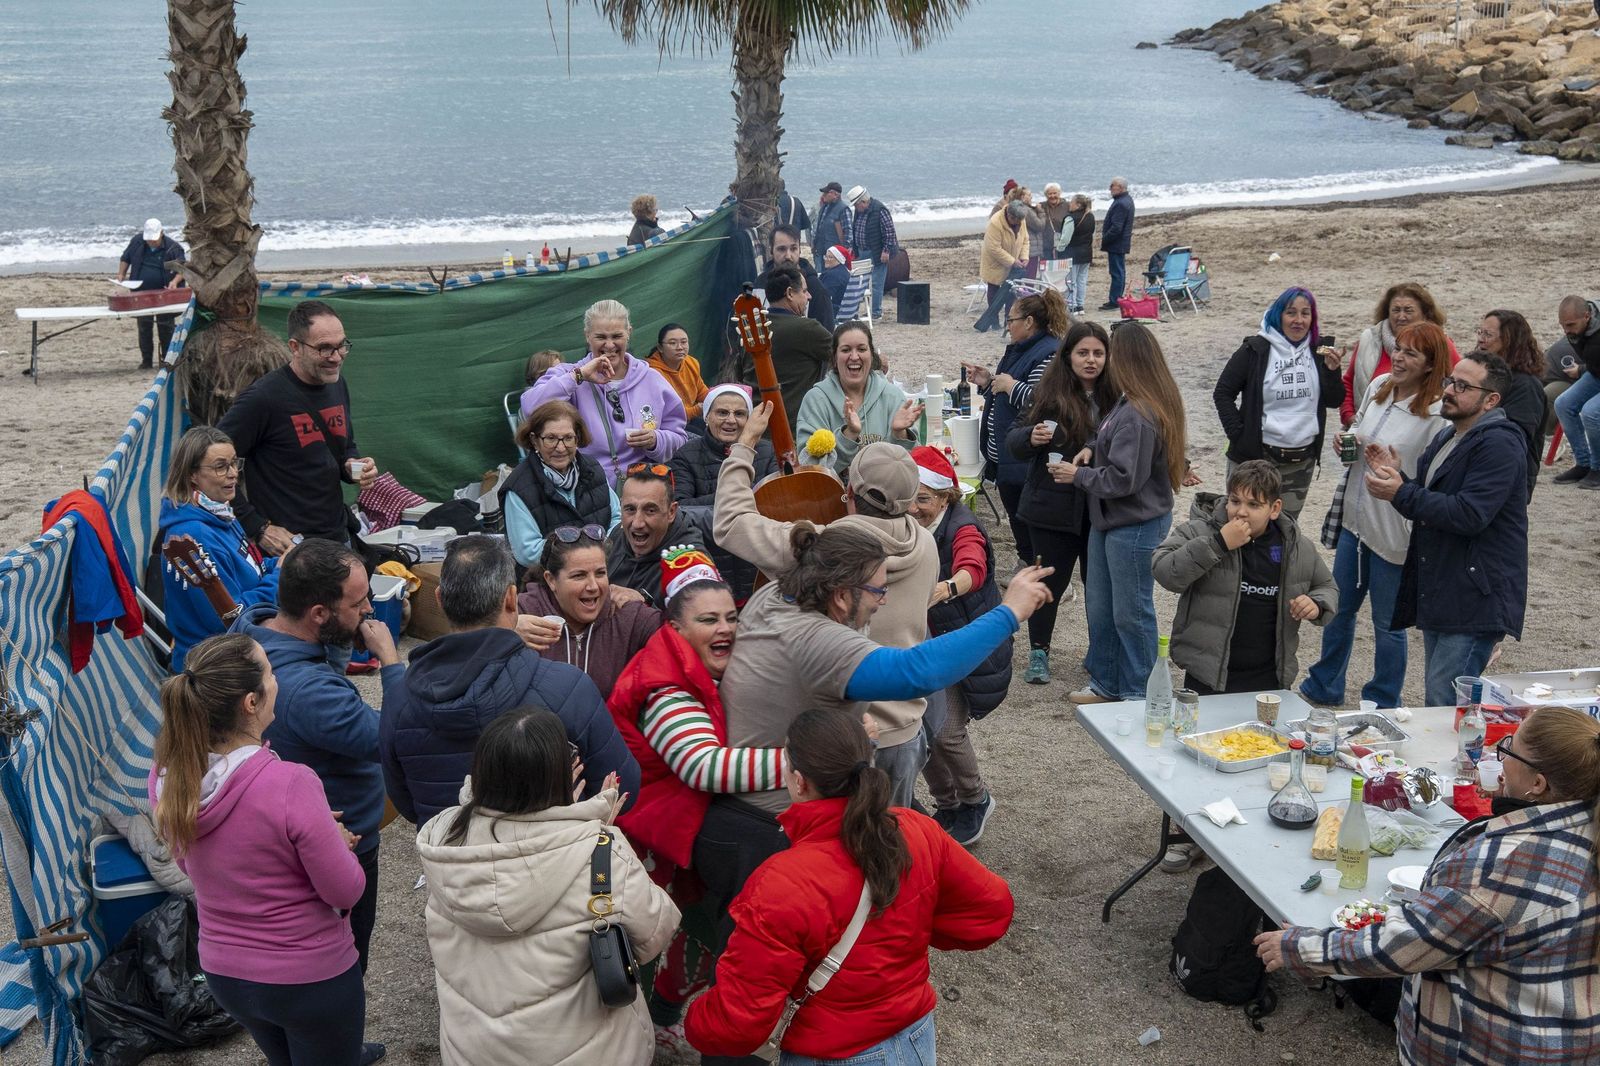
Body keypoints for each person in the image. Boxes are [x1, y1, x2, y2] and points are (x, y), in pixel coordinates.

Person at [696, 524, 1048, 1007]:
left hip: (739, 816)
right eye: (879, 589)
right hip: (769, 827)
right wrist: (1010, 611)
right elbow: (916, 672)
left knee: (747, 961)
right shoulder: (818, 639)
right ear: (841, 596)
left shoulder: (777, 596)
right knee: (756, 984)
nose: (883, 601)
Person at [1254, 704, 1600, 1066]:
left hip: (1495, 1048)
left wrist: (1303, 947)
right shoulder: (1585, 828)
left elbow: (1411, 943)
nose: (1497, 759)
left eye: (1508, 749)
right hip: (1567, 1038)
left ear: (1538, 784)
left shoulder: (1508, 862)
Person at [684, 708, 1014, 1063]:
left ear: (799, 781)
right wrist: (909, 923)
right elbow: (991, 911)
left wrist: (694, 1020)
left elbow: (739, 1022)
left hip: (833, 1052)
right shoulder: (916, 829)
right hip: (915, 1037)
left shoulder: (781, 883)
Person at [149, 634, 377, 1066]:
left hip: (226, 973)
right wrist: (339, 847)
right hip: (308, 978)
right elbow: (345, 892)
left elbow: (190, 861)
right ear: (250, 702)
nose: (278, 682)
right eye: (271, 673)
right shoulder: (291, 782)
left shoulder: (167, 776)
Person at [415, 708, 678, 1066]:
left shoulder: (444, 838)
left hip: (473, 1050)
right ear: (559, 777)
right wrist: (595, 828)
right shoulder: (603, 853)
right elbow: (653, 936)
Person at [605, 549, 789, 1048]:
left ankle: (663, 1014)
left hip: (683, 831)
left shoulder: (692, 666)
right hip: (651, 840)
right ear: (676, 627)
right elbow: (702, 767)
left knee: (692, 930)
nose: (725, 627)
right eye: (708, 619)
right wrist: (799, 764)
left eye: (731, 616)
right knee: (654, 936)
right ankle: (640, 1031)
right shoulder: (666, 687)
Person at [715, 409, 940, 808]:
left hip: (845, 737)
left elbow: (732, 522)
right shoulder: (926, 544)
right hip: (905, 729)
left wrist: (744, 446)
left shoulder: (823, 551)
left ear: (848, 493)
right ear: (911, 501)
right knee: (888, 847)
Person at [378, 535, 638, 827]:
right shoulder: (567, 687)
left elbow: (405, 802)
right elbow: (622, 787)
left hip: (451, 863)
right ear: (512, 599)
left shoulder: (400, 695)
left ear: (440, 599)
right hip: (546, 860)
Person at [229, 538, 400, 974]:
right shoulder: (310, 692)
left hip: (297, 834)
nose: (369, 612)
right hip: (340, 843)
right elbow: (396, 736)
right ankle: (340, 1039)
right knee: (344, 962)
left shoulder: (255, 629)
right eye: (359, 603)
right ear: (318, 614)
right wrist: (391, 662)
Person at [1367, 351, 1528, 707]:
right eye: (1449, 381)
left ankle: (1459, 763)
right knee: (1440, 696)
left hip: (1474, 596)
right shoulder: (1450, 436)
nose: (1449, 391)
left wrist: (1402, 492)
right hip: (1447, 587)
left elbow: (1470, 514)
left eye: (1462, 386)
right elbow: (1432, 501)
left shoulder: (1499, 443)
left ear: (1491, 400)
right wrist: (1399, 477)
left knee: (1446, 702)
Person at [1301, 322, 1449, 709]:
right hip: (1355, 519)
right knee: (1339, 607)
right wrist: (1344, 441)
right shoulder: (1378, 385)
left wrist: (1402, 473)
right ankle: (1324, 684)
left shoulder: (1437, 414)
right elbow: (1357, 430)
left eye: (1411, 353)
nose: (1399, 357)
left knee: (1388, 623)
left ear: (1431, 364)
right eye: (1398, 348)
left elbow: (1436, 478)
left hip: (1393, 530)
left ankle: (1384, 700)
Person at [1064, 322, 1187, 705]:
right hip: (1111, 521)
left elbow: (1124, 479)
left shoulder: (1139, 411)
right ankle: (1107, 683)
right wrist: (1090, 446)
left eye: (1111, 353)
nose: (1105, 361)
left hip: (1133, 525)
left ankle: (1140, 693)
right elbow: (1109, 437)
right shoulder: (1128, 401)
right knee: (1102, 608)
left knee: (1132, 613)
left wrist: (1078, 474)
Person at [1154, 460, 1336, 697]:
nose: (1241, 511)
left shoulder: (1296, 547)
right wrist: (1218, 544)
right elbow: (1164, 571)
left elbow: (1326, 585)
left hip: (1269, 676)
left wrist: (1317, 604)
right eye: (1235, 501)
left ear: (1274, 508)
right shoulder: (1201, 531)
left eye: (1254, 504)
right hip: (1208, 675)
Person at [218, 300, 379, 553]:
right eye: (325, 349)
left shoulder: (337, 384)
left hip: (339, 535)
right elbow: (206, 460)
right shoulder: (264, 398)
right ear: (295, 347)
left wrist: (353, 467)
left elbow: (346, 446)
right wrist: (257, 527)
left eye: (341, 346)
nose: (336, 358)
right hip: (292, 550)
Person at [1005, 320, 1116, 684]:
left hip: (1099, 507)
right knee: (1048, 582)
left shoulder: (1117, 396)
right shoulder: (1050, 394)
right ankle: (1039, 652)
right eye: (1083, 353)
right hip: (1051, 507)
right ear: (1067, 356)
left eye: (1098, 353)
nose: (1091, 360)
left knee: (1098, 586)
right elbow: (1014, 440)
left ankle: (1099, 652)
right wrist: (1031, 437)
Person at [909, 446, 1010, 846]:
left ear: (945, 497)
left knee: (946, 729)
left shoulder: (962, 527)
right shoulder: (907, 525)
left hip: (964, 645)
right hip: (928, 643)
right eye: (910, 497)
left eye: (924, 498)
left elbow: (973, 566)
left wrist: (944, 588)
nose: (914, 507)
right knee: (920, 727)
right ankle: (947, 803)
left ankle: (977, 798)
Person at [1212, 286, 1344, 521]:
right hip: (1257, 457)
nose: (1298, 320)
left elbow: (1334, 401)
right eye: (1291, 313)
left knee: (1285, 529)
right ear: (1278, 315)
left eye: (1305, 314)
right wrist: (1238, 435)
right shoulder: (1256, 349)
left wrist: (1332, 372)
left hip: (1301, 459)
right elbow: (1223, 392)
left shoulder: (1319, 351)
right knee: (1245, 525)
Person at [520, 299, 688, 484]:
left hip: (642, 487)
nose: (609, 345)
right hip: (587, 487)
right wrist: (579, 376)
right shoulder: (569, 374)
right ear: (587, 336)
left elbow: (679, 438)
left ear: (629, 333)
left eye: (617, 336)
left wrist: (656, 440)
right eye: (601, 337)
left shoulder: (651, 379)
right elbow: (529, 407)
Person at [964, 287, 1071, 568]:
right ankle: (1027, 563)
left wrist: (1010, 385)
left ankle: (1040, 569)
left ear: (1029, 322)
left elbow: (1043, 403)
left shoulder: (1047, 354)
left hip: (1024, 456)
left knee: (1029, 519)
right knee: (1017, 515)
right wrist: (989, 382)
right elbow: (1010, 396)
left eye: (1011, 320)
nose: (1008, 325)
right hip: (1009, 455)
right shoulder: (1022, 349)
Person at [157, 426, 279, 673]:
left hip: (237, 651)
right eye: (221, 466)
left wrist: (284, 564)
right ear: (192, 475)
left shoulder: (221, 514)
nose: (233, 473)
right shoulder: (196, 536)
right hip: (214, 669)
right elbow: (229, 618)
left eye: (234, 463)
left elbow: (251, 570)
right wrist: (279, 578)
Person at [516, 526, 662, 697]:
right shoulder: (524, 611)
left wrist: (647, 601)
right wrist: (504, 630)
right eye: (579, 576)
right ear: (551, 580)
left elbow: (680, 636)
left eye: (600, 573)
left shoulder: (627, 614)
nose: (593, 586)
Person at [668, 383, 777, 601]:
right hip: (711, 565)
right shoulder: (686, 456)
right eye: (722, 413)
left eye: (739, 414)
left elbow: (776, 499)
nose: (730, 420)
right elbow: (681, 508)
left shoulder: (766, 450)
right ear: (707, 417)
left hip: (758, 567)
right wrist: (740, 494)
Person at [500, 399, 621, 569]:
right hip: (549, 583)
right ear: (535, 440)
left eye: (568, 438)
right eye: (551, 438)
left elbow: (617, 518)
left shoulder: (592, 469)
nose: (561, 447)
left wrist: (603, 551)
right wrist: (587, 556)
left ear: (577, 438)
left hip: (605, 568)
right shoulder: (518, 488)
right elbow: (527, 552)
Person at [796, 321, 922, 471]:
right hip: (833, 493)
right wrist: (849, 435)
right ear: (834, 357)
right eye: (846, 350)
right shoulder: (816, 400)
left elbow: (913, 466)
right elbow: (809, 469)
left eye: (862, 349)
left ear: (871, 355)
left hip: (886, 493)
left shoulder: (892, 396)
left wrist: (900, 434)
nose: (854, 356)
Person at [729, 264, 832, 437]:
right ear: (790, 293)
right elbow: (846, 356)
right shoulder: (807, 329)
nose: (809, 296)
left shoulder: (752, 329)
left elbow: (739, 373)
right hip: (795, 431)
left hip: (755, 428)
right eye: (805, 291)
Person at [1342, 282, 1457, 428]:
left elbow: (1458, 386)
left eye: (1408, 310)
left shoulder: (1441, 345)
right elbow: (1348, 382)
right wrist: (1351, 419)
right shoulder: (1369, 340)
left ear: (1425, 313)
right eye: (1396, 310)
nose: (1401, 316)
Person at [604, 462, 708, 606]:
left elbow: (697, 625)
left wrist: (644, 605)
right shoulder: (617, 534)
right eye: (630, 509)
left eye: (650, 510)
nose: (637, 523)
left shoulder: (689, 561)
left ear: (671, 512)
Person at [1475, 310, 1547, 499]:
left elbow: (1514, 441)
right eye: (1480, 332)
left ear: (1509, 341)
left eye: (1488, 335)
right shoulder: (1485, 377)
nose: (1481, 340)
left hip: (1505, 482)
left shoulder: (1526, 386)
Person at [117, 217, 186, 369]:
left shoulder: (173, 248)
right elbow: (125, 258)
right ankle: (146, 361)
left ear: (161, 233)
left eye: (154, 240)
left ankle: (167, 361)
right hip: (141, 293)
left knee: (166, 327)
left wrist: (174, 282)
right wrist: (121, 274)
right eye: (149, 240)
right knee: (144, 326)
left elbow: (182, 268)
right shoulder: (137, 242)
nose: (151, 242)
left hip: (164, 294)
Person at [1552, 294, 1600, 488]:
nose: (1566, 330)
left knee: (1591, 412)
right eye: (1562, 325)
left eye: (1570, 325)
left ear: (1587, 316)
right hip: (1596, 372)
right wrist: (1581, 369)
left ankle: (1598, 468)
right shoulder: (1579, 331)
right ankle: (1583, 463)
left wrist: (1581, 370)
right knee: (1562, 404)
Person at [762, 223, 834, 331]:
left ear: (800, 250)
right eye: (781, 249)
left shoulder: (815, 288)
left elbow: (826, 335)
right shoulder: (759, 284)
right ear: (771, 250)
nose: (788, 255)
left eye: (793, 248)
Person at [973, 201, 1031, 333]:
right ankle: (994, 321)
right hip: (995, 262)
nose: (1017, 222)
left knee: (1012, 291)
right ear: (1010, 215)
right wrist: (1012, 261)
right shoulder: (995, 222)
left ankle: (1008, 320)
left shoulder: (1021, 220)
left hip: (1014, 260)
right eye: (1015, 220)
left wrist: (1024, 257)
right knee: (994, 289)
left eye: (1019, 220)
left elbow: (1025, 240)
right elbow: (993, 248)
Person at [846, 185, 898, 320]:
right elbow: (855, 228)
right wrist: (854, 247)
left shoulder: (880, 210)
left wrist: (886, 251)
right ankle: (861, 311)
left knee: (876, 283)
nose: (855, 208)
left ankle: (876, 312)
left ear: (863, 202)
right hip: (862, 251)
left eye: (856, 205)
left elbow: (890, 232)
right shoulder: (859, 211)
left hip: (877, 252)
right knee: (860, 282)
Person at [646, 323, 708, 423]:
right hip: (667, 424)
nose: (680, 347)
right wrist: (697, 409)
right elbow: (666, 414)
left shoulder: (691, 362)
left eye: (684, 342)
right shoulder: (653, 373)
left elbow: (701, 391)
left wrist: (715, 398)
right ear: (660, 348)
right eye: (672, 343)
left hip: (691, 416)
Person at [1097, 177, 1135, 310]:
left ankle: (1115, 300)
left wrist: (1105, 238)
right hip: (1120, 243)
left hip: (1117, 243)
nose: (1110, 188)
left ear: (1120, 187)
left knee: (1117, 272)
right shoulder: (1125, 200)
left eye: (1112, 186)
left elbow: (1117, 227)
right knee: (1119, 271)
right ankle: (1117, 298)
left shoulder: (1121, 203)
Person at [1060, 194, 1095, 315]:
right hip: (1086, 252)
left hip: (1073, 253)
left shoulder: (1070, 218)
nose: (1070, 204)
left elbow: (1065, 238)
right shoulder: (1090, 216)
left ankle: (1072, 305)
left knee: (1071, 280)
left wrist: (1059, 248)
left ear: (1078, 205)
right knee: (1082, 280)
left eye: (1072, 202)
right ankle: (1080, 305)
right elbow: (1092, 234)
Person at [812, 181, 851, 264]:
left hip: (834, 253)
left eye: (826, 193)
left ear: (835, 195)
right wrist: (814, 244)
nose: (823, 195)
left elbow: (848, 232)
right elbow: (819, 228)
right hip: (820, 250)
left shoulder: (843, 209)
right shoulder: (824, 207)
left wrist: (845, 250)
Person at [818, 244, 851, 309]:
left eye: (830, 257)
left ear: (839, 259)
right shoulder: (844, 271)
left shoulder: (832, 276)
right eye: (826, 256)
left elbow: (824, 297)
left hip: (834, 311)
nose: (826, 259)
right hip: (844, 309)